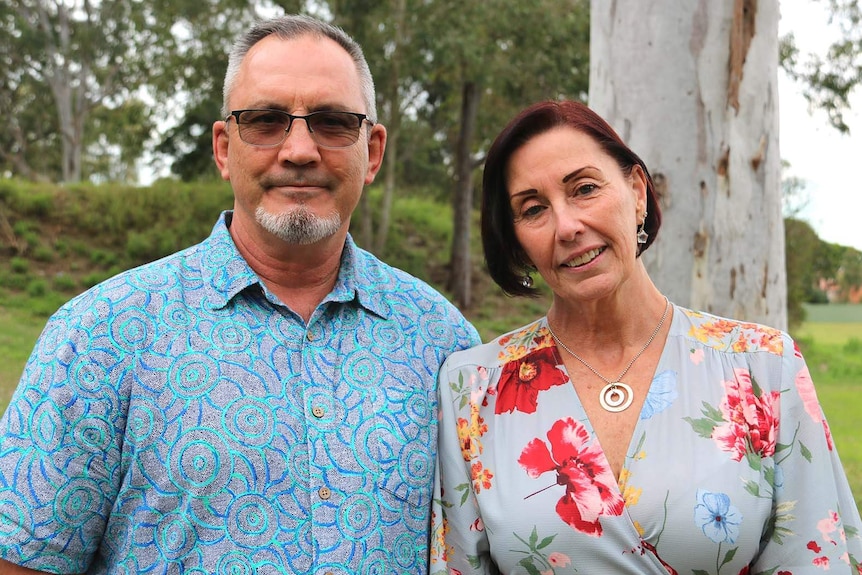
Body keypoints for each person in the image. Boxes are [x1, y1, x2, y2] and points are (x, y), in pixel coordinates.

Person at [0, 14, 480, 574]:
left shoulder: (443, 342)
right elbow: (24, 560)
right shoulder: (100, 335)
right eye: (266, 121)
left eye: (331, 122)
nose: (299, 150)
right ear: (224, 148)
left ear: (371, 153)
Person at [430, 99, 862, 574]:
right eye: (534, 209)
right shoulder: (472, 390)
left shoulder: (763, 367)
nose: (567, 226)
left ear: (637, 191)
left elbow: (815, 559)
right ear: (516, 241)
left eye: (585, 189)